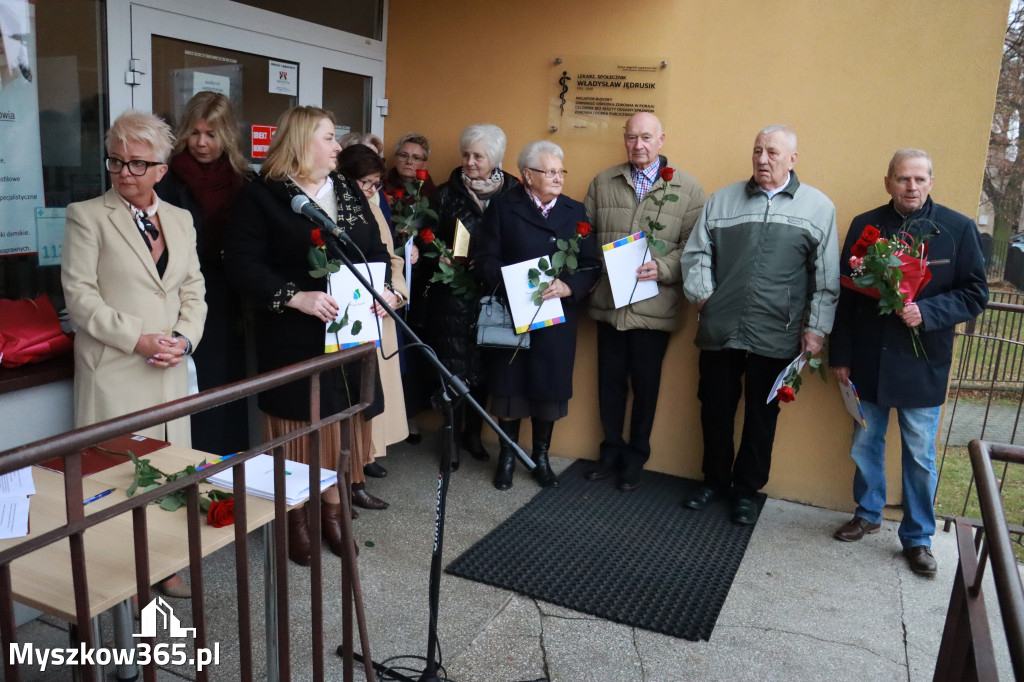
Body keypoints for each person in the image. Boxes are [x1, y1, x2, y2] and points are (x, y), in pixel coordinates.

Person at [224, 106, 390, 566]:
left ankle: (333, 513)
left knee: (340, 427)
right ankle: (294, 519)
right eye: (330, 137)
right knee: (299, 433)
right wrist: (294, 296)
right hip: (293, 336)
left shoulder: (346, 191)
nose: (339, 147)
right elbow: (241, 264)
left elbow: (374, 251)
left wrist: (386, 292)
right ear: (300, 143)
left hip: (349, 336)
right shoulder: (263, 197)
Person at [62, 109, 207, 597]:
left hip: (168, 369)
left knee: (168, 471)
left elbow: (193, 289)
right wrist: (138, 338)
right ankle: (120, 572)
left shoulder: (182, 220)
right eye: (117, 161)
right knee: (117, 473)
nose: (125, 172)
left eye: (138, 163)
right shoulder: (86, 216)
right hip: (116, 369)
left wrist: (185, 339)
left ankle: (164, 562)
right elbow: (80, 300)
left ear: (162, 169)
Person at [829, 149, 987, 576]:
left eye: (919, 179)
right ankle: (868, 512)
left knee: (919, 455)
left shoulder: (956, 229)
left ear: (931, 182)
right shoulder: (866, 226)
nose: (911, 187)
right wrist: (840, 355)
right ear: (888, 182)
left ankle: (918, 538)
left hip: (923, 363)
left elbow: (976, 294)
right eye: (902, 179)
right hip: (868, 359)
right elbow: (846, 294)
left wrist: (928, 312)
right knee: (865, 442)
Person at [680, 124, 839, 525]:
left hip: (778, 332)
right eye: (757, 151)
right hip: (721, 328)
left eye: (772, 152)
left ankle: (746, 491)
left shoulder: (818, 208)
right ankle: (713, 480)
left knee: (761, 416)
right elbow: (697, 253)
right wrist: (704, 297)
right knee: (714, 409)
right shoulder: (722, 201)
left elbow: (826, 278)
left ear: (792, 159)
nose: (763, 159)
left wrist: (816, 329)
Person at [583, 112, 706, 492]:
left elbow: (695, 247)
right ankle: (610, 452)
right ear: (624, 139)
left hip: (655, 308)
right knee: (609, 384)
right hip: (609, 303)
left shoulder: (687, 189)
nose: (639, 145)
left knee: (646, 387)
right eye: (632, 137)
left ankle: (636, 458)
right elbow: (583, 234)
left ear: (661, 139)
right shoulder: (603, 182)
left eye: (647, 138)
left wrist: (664, 268)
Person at [474, 140, 600, 490]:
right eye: (550, 171)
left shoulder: (575, 212)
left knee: (550, 388)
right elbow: (484, 258)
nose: (558, 178)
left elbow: (591, 265)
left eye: (562, 171)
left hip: (556, 317)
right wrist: (514, 284)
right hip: (513, 314)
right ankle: (508, 455)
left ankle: (541, 457)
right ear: (528, 176)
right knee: (509, 388)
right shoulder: (502, 207)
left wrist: (569, 286)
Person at [156, 91, 251, 455]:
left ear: (226, 135)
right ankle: (191, 463)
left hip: (228, 298)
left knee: (227, 385)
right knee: (190, 386)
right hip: (180, 297)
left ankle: (230, 465)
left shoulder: (241, 179)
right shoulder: (166, 178)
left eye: (211, 134)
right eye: (194, 133)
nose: (201, 143)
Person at [424, 124, 520, 462]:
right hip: (454, 295)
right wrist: (440, 255)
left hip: (493, 293)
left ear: (494, 159)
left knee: (485, 368)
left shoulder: (513, 191)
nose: (469, 161)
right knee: (452, 368)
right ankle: (449, 441)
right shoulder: (446, 193)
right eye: (466, 154)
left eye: (477, 156)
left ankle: (473, 436)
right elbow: (428, 236)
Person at [337, 143, 410, 481]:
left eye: (375, 184)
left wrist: (396, 294)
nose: (371, 191)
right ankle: (356, 459)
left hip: (381, 306)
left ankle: (371, 452)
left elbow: (392, 257)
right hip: (351, 308)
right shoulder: (334, 207)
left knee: (378, 385)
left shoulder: (375, 207)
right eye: (365, 183)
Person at [384, 132, 436, 200]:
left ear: (424, 165)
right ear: (395, 160)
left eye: (416, 158)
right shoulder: (379, 187)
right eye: (403, 155)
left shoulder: (434, 195)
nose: (409, 162)